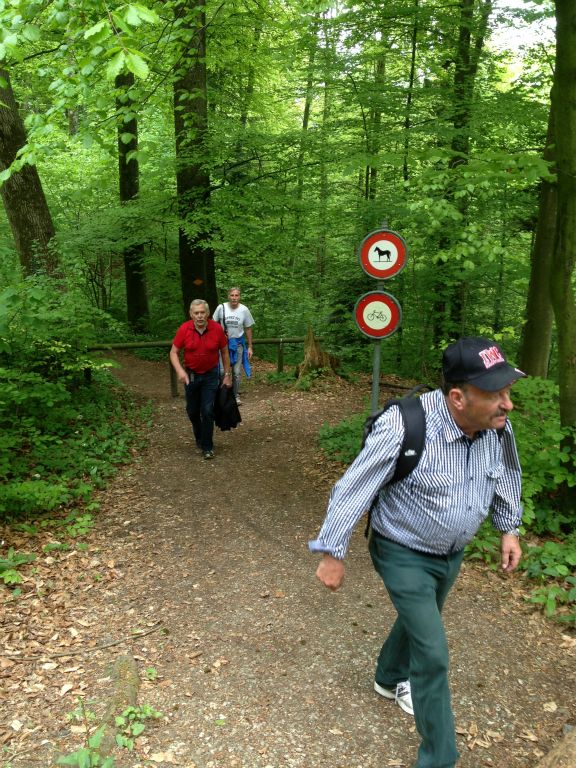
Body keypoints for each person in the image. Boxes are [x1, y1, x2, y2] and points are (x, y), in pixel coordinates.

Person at [309, 337, 526, 768]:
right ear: (458, 398)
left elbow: (506, 474)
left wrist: (508, 528)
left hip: (451, 552)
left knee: (423, 618)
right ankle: (439, 758)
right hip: (401, 550)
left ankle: (388, 677)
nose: (508, 404)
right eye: (496, 394)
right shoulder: (405, 426)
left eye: (507, 391)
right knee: (432, 653)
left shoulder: (497, 428)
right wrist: (333, 551)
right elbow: (353, 488)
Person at [170, 299, 232, 460]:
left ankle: (207, 446)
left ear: (208, 313)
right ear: (191, 314)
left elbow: (225, 352)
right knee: (192, 411)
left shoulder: (216, 328)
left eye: (202, 312)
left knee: (207, 410)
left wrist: (227, 374)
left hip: (211, 375)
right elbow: (173, 352)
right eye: (196, 313)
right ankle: (199, 437)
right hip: (191, 376)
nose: (199, 316)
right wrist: (180, 371)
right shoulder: (184, 329)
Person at [212, 287, 254, 404]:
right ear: (228, 296)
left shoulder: (244, 310)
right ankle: (223, 394)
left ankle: (235, 395)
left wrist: (250, 346)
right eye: (232, 295)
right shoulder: (221, 308)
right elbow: (212, 325)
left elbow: (248, 328)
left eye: (236, 295)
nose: (234, 298)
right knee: (221, 371)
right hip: (223, 345)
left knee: (236, 372)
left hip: (238, 344)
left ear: (239, 297)